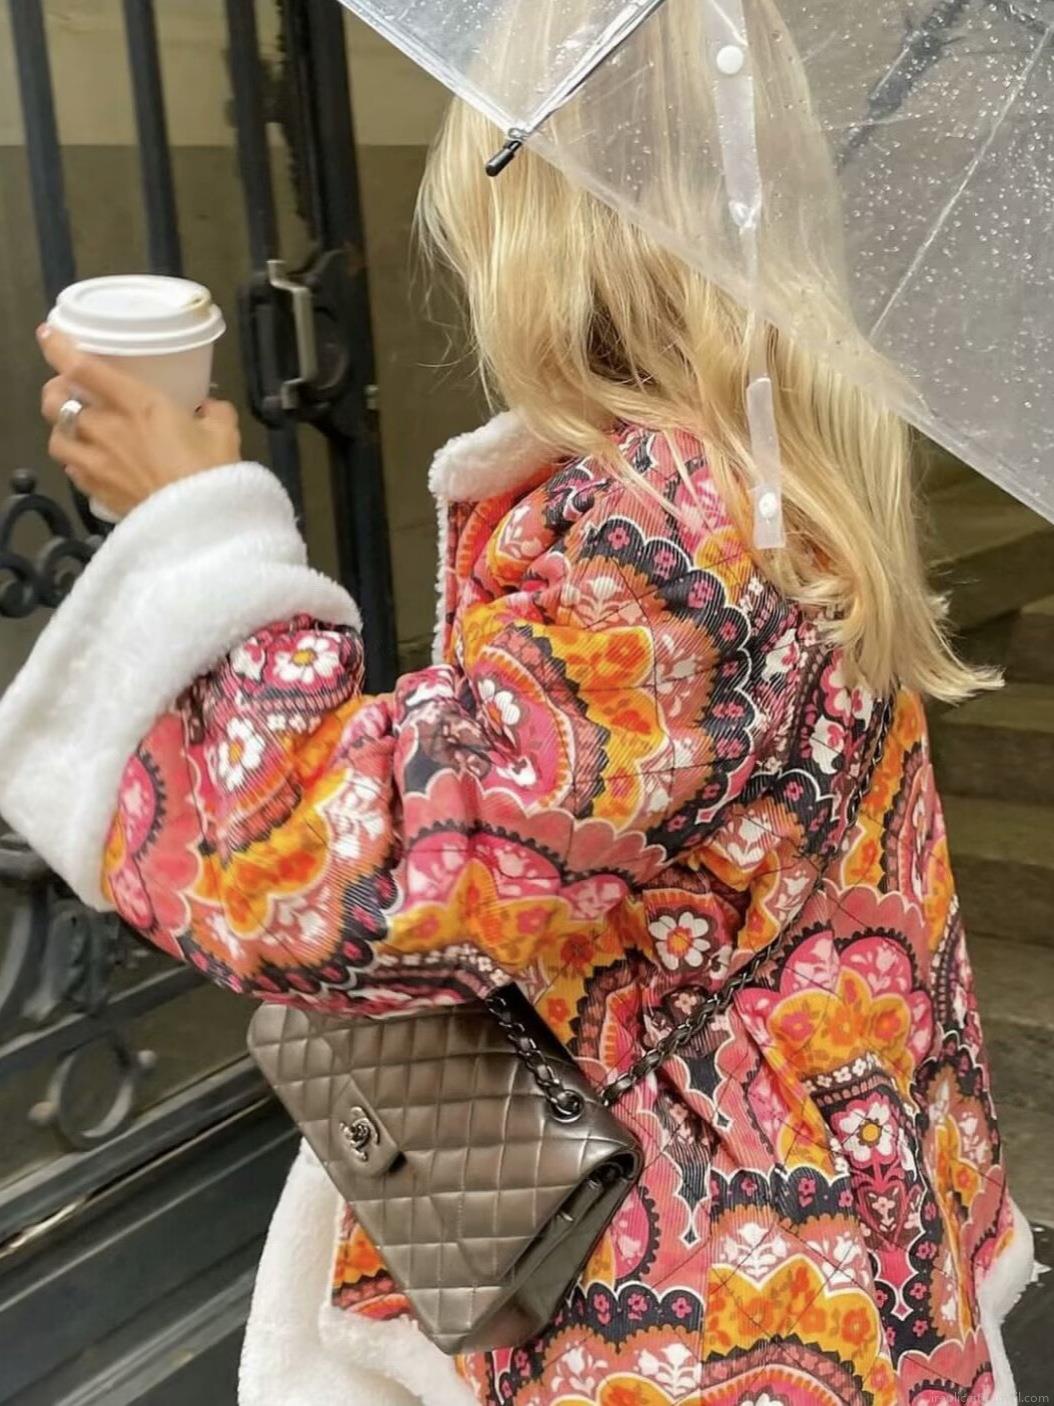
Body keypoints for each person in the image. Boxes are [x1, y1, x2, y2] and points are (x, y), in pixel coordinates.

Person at [0, 61, 1035, 1406]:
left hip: (695, 1309)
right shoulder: (776, 472)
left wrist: (196, 529)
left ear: (544, 207)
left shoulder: (657, 537)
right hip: (830, 1228)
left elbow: (353, 878)